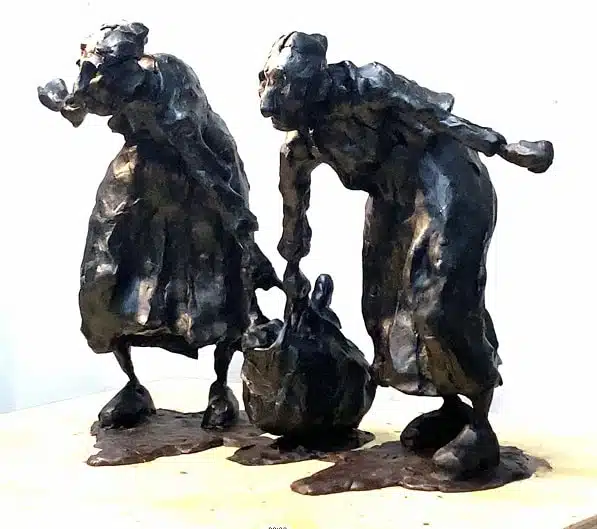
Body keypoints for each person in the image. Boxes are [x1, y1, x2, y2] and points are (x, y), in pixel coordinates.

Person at [257, 31, 553, 476]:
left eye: (285, 92)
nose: (269, 107)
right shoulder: (302, 144)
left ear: (316, 84)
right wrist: (293, 263)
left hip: (446, 179)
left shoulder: (369, 85)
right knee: (384, 309)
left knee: (440, 303)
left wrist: (502, 147)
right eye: (266, 88)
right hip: (393, 197)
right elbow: (293, 205)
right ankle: (451, 408)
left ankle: (480, 426)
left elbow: (436, 117)